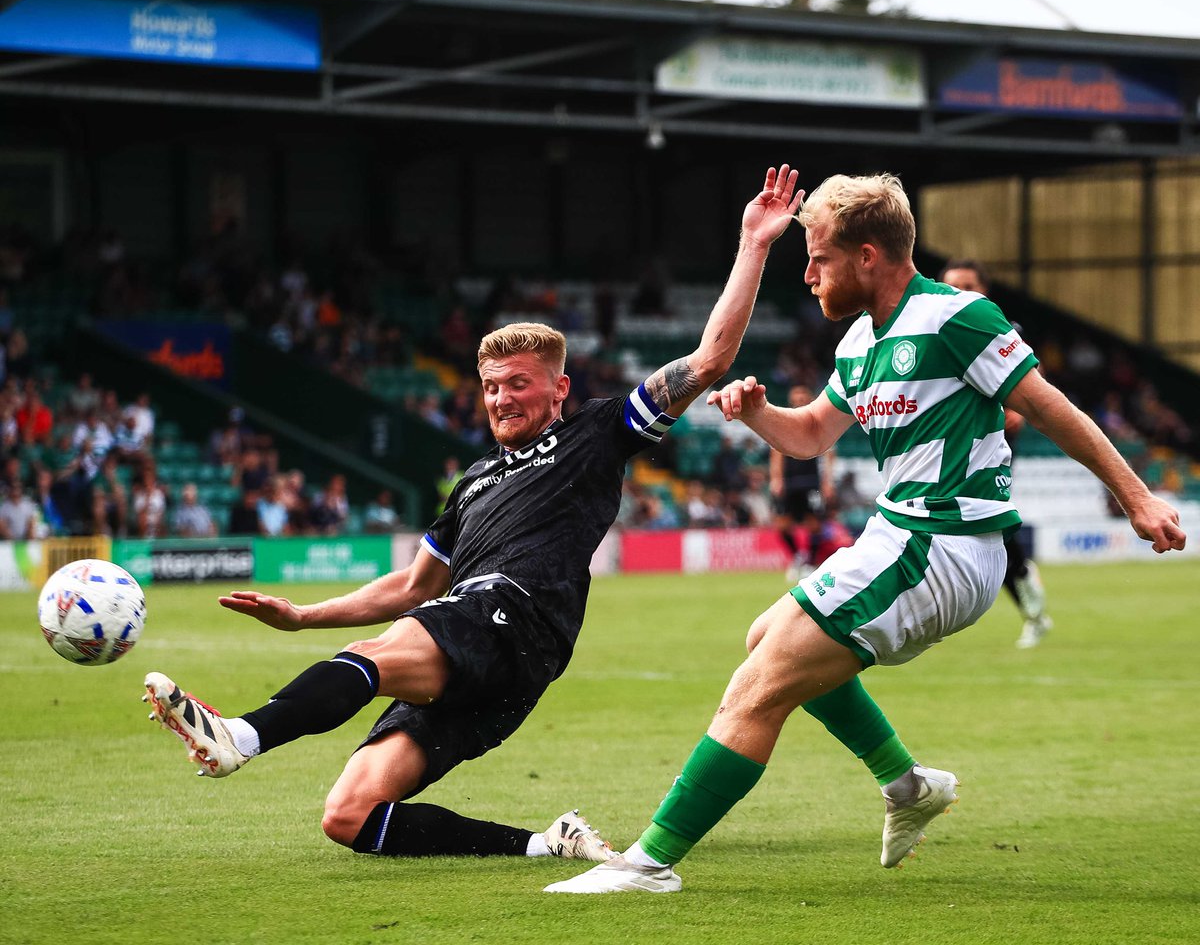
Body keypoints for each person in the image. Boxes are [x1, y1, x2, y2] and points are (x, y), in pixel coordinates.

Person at [140, 166, 807, 863]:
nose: (500, 398)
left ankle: (241, 737)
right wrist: (304, 616)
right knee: (350, 816)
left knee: (375, 655)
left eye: (518, 383)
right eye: (491, 386)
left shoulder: (596, 433)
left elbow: (710, 359)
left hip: (515, 618)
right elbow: (412, 586)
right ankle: (547, 844)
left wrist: (754, 244)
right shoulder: (474, 481)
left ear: (560, 388)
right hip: (481, 652)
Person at [547, 171, 1186, 894]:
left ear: (869, 256)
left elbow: (1047, 406)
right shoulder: (858, 340)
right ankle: (906, 784)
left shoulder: (955, 317)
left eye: (819, 258)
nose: (809, 275)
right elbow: (812, 435)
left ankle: (648, 864)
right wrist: (756, 413)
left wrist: (1137, 497)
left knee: (762, 682)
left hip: (942, 545)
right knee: (765, 639)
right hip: (900, 535)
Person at [939, 259, 1052, 648]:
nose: (960, 293)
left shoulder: (1002, 330)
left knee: (988, 525)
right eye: (952, 286)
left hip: (990, 444)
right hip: (950, 443)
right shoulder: (933, 331)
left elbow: (1029, 379)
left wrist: (1017, 408)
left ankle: (1027, 595)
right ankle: (1025, 586)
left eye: (968, 285)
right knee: (987, 533)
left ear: (985, 291)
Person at [770, 384, 836, 581]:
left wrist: (827, 482)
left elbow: (829, 455)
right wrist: (776, 478)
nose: (798, 401)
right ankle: (798, 557)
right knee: (782, 525)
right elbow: (776, 453)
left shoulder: (819, 422)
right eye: (795, 398)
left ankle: (810, 563)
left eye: (802, 398)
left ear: (810, 399)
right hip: (789, 480)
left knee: (814, 523)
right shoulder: (783, 422)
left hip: (811, 480)